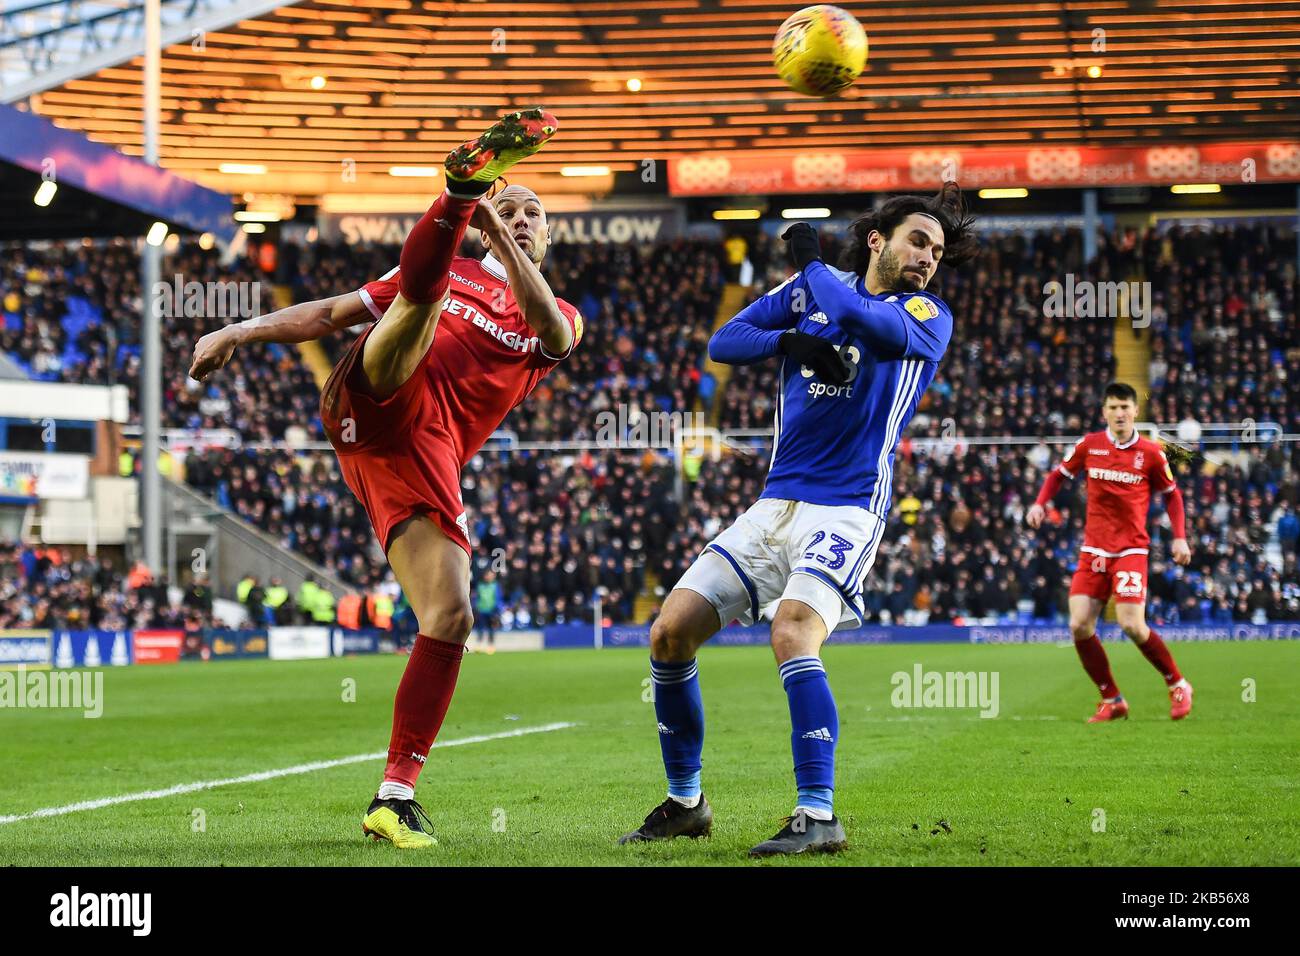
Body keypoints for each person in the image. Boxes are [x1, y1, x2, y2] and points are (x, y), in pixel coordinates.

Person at [189, 108, 576, 850]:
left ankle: (393, 798)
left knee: (452, 614)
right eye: (512, 207)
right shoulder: (448, 270)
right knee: (419, 299)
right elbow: (335, 311)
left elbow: (550, 334)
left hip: (420, 455)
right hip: (377, 392)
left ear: (548, 237)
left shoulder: (556, 313)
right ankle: (455, 191)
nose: (523, 218)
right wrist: (237, 330)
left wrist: (491, 229)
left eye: (535, 214)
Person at [619, 184, 978, 856]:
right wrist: (794, 342)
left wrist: (809, 272)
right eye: (918, 240)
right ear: (878, 239)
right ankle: (686, 803)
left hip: (847, 507)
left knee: (791, 633)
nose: (929, 256)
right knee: (669, 633)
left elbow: (868, 324)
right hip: (773, 504)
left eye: (936, 248)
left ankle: (818, 814)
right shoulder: (818, 288)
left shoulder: (927, 312)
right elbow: (727, 341)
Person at [1026, 381, 1193, 722]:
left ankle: (1177, 683)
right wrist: (1040, 504)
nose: (1119, 413)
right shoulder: (1089, 445)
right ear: (1104, 411)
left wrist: (1179, 537)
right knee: (1079, 625)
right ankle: (1112, 698)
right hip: (1093, 550)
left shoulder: (1151, 453)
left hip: (1131, 549)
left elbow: (1172, 495)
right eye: (1113, 407)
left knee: (1132, 624)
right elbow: (1057, 475)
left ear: (1135, 411)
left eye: (1125, 407)